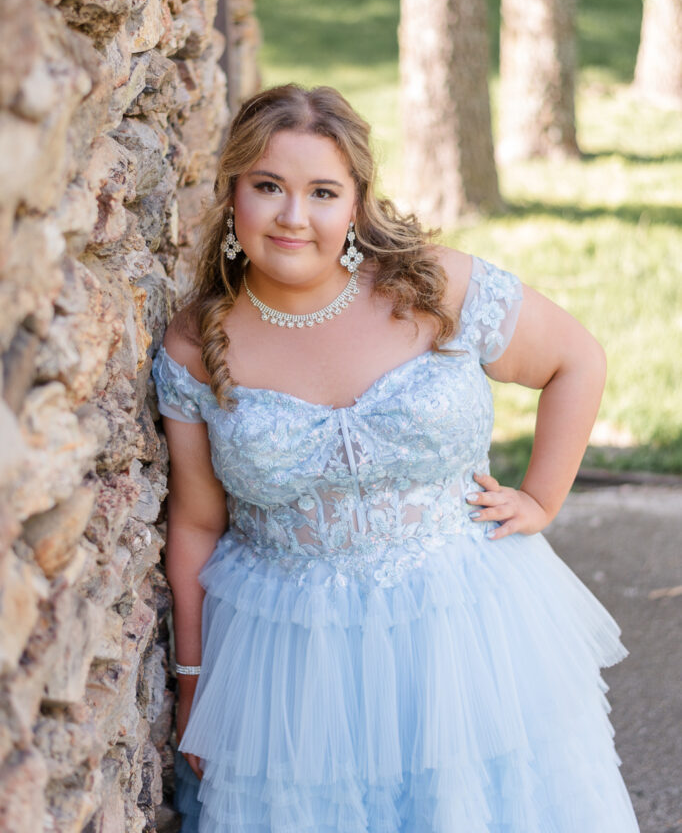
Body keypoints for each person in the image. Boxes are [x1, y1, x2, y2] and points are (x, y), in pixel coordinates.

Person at [151, 84, 640, 833]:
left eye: (321, 191)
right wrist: (193, 681)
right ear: (232, 193)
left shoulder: (432, 285)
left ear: (356, 202)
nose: (292, 216)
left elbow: (577, 359)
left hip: (462, 627)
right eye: (268, 187)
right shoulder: (194, 344)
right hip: (290, 655)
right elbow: (195, 523)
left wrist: (541, 499)